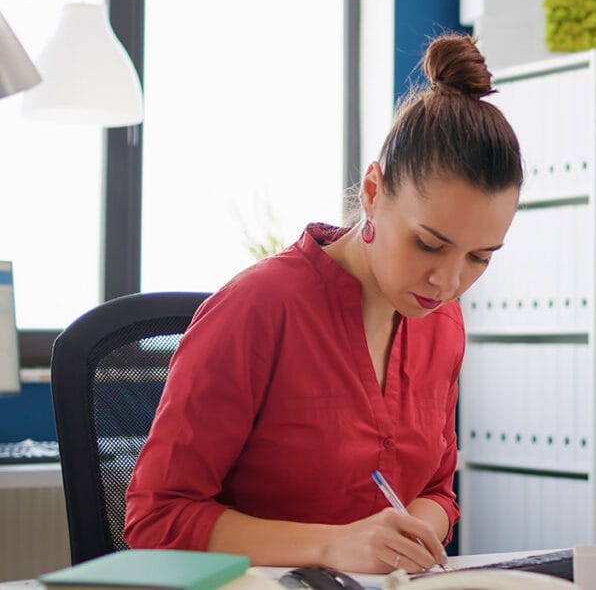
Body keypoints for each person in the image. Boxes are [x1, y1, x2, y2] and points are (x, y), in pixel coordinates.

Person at [123, 33, 523, 573]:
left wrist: (417, 532)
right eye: (429, 244)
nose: (448, 282)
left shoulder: (442, 324)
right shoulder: (258, 309)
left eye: (480, 258)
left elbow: (436, 491)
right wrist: (331, 546)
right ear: (374, 192)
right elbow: (158, 518)